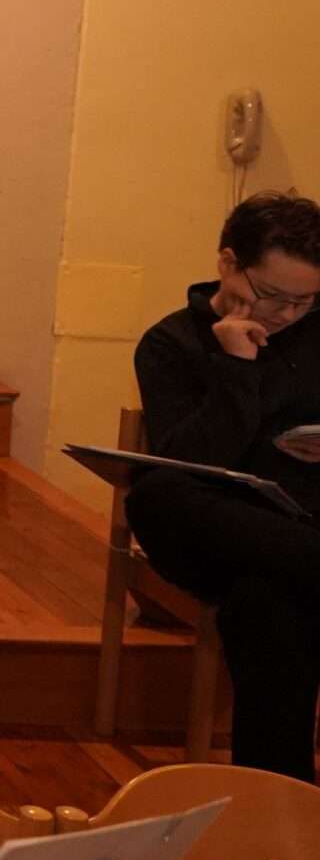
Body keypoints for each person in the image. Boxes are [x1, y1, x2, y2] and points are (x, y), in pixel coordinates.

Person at [126, 192, 320, 782]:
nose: (287, 314)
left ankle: (279, 797)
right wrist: (236, 366)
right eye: (273, 295)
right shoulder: (171, 343)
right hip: (220, 528)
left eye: (306, 301)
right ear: (229, 262)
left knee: (267, 604)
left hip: (298, 530)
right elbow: (188, 462)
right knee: (155, 493)